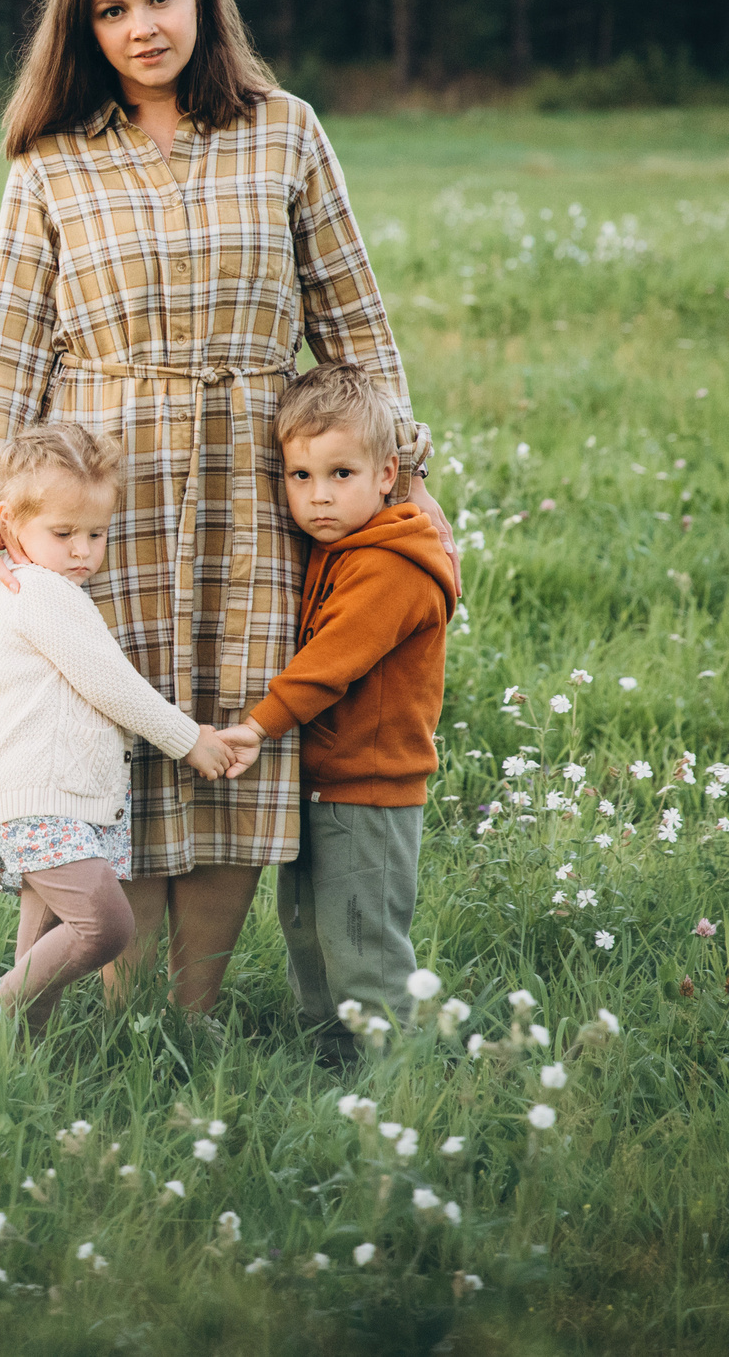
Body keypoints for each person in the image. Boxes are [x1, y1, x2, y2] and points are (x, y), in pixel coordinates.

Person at [0, 0, 450, 1025]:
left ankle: (193, 1011)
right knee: (111, 733)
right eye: (112, 9)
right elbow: (9, 346)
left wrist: (406, 477)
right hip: (100, 490)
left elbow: (355, 323)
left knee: (230, 735)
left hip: (248, 477)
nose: (142, 27)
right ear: (83, 31)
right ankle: (117, 1011)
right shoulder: (50, 163)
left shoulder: (284, 129)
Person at [0, 423, 238, 1043]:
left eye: (96, 534)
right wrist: (191, 740)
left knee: (40, 952)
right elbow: (112, 684)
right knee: (106, 928)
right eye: (63, 533)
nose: (82, 551)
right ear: (7, 521)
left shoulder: (42, 591)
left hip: (53, 800)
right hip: (46, 800)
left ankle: (10, 1060)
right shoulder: (42, 593)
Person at [209, 363, 459, 1061]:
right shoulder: (336, 546)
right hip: (319, 780)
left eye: (340, 474)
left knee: (361, 943)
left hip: (370, 789)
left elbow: (331, 662)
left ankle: (402, 1077)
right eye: (300, 476)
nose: (318, 497)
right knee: (308, 934)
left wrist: (259, 725)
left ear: (388, 474)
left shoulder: (393, 565)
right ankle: (331, 1064)